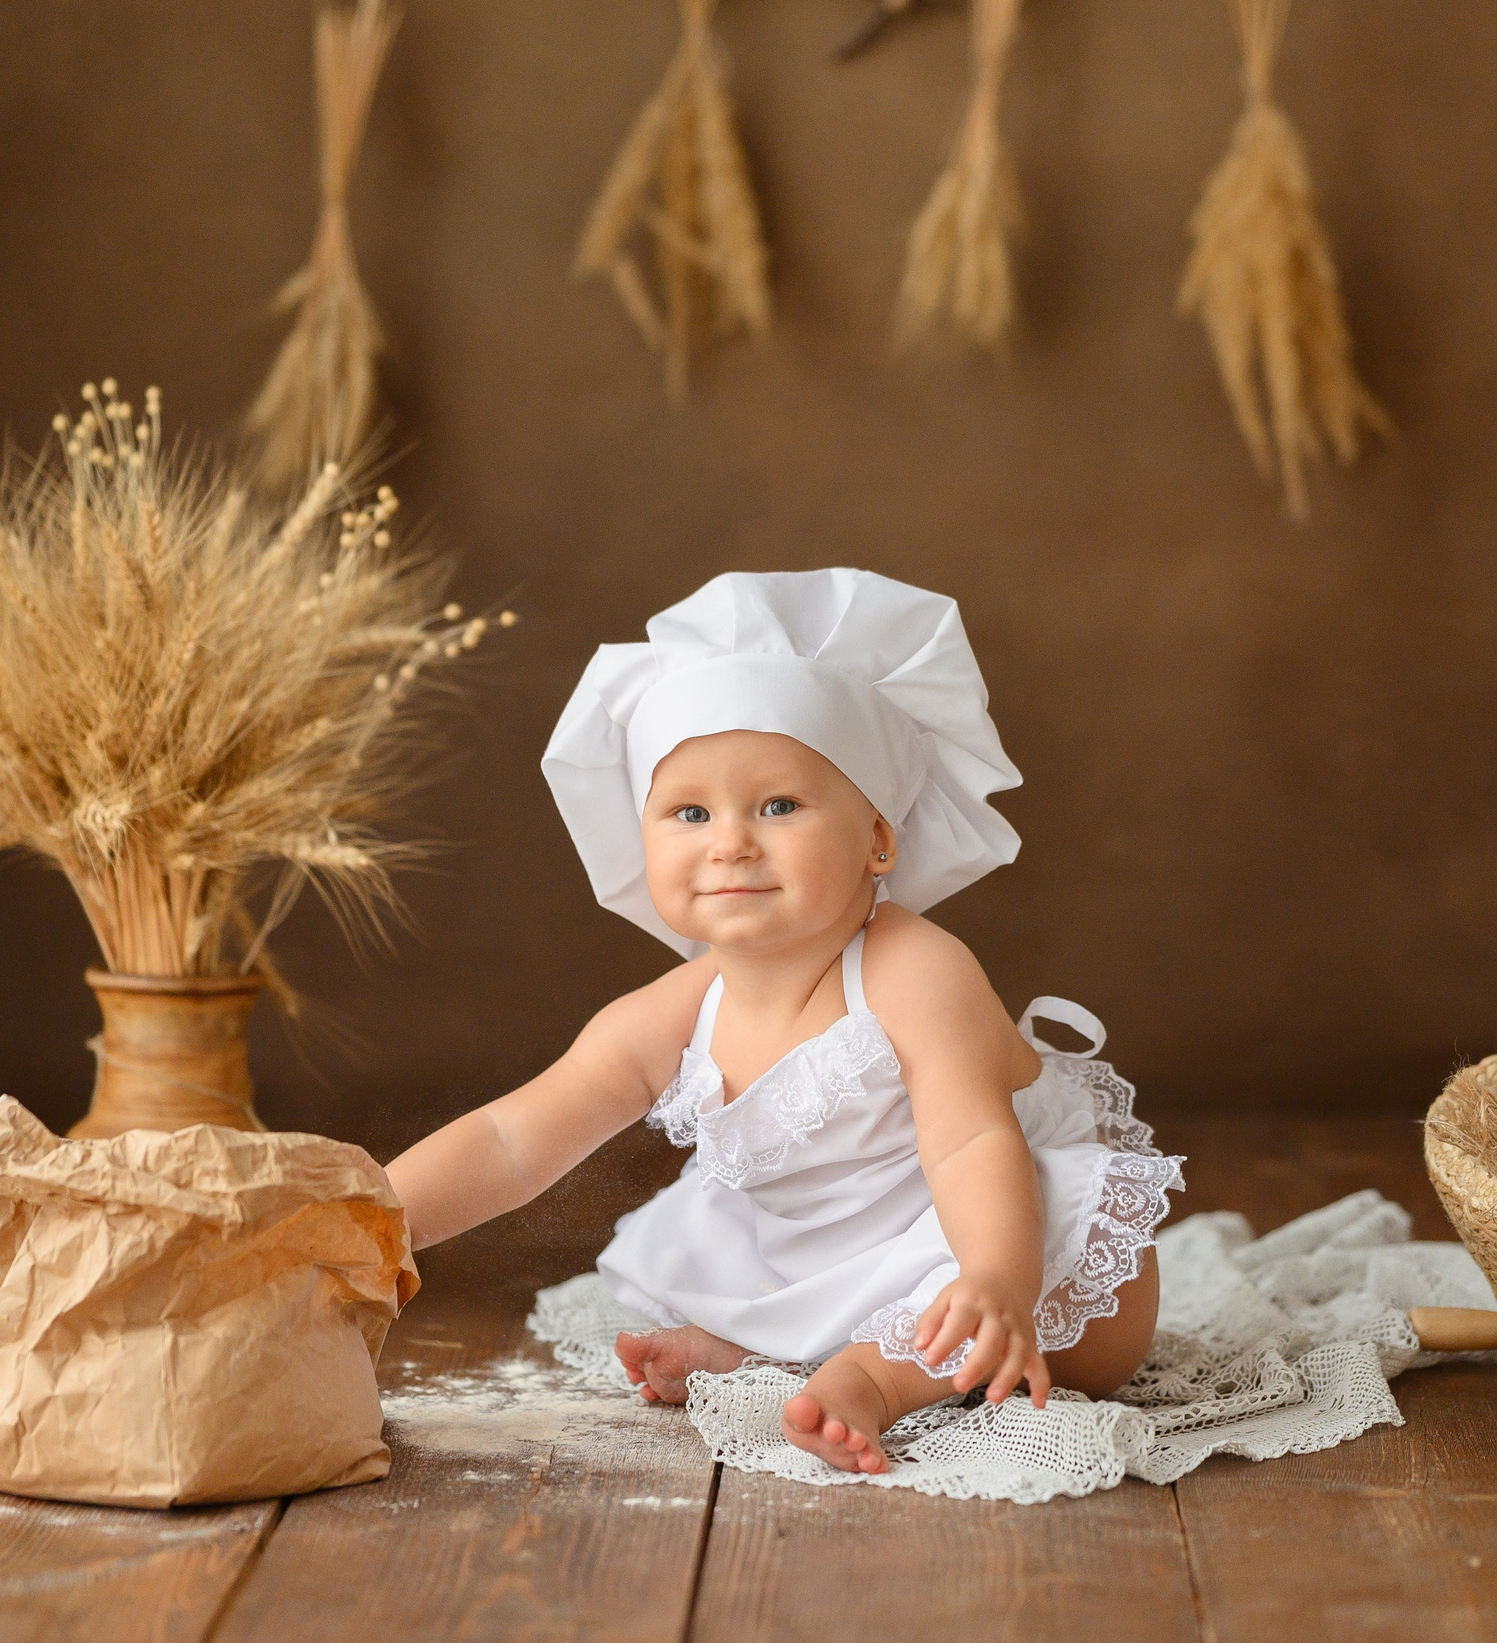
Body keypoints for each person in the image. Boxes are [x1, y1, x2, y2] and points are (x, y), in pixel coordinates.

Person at [384, 569, 1182, 1473]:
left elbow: (969, 1144)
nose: (730, 841)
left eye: (779, 806)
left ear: (879, 837)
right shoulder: (672, 1013)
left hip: (994, 1228)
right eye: (690, 812)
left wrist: (997, 1277)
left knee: (1080, 1324)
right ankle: (773, 1349)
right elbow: (510, 1138)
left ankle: (878, 1380)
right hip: (824, 1258)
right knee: (722, 1245)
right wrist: (369, 1221)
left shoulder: (914, 968)